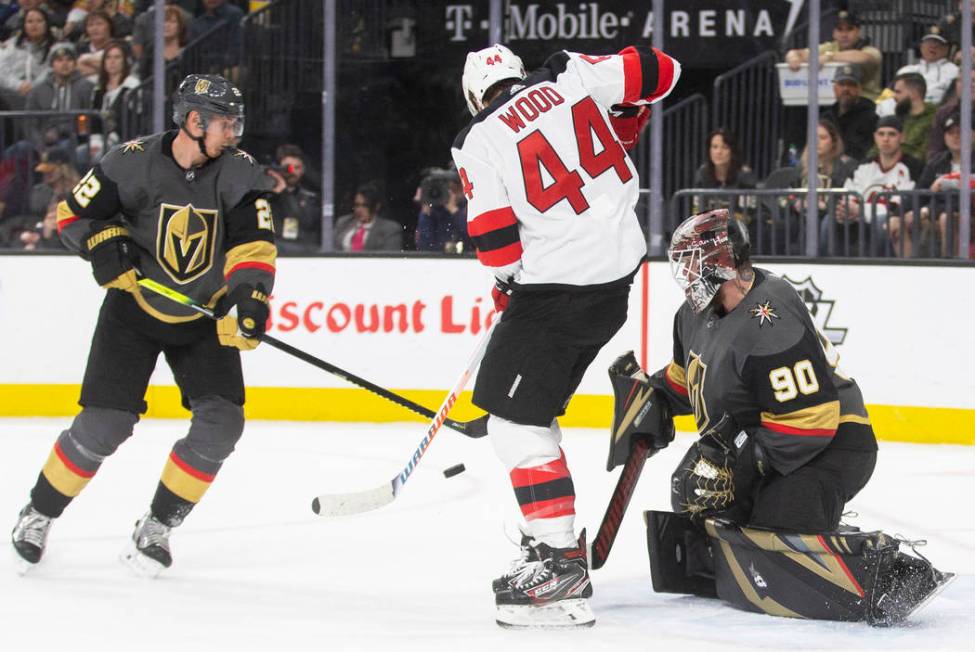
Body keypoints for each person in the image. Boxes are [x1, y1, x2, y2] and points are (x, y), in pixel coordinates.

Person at [615, 209, 948, 624]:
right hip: (764, 439)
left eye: (691, 263)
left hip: (833, 446)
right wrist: (651, 396)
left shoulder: (770, 316)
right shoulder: (691, 315)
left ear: (720, 262)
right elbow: (690, 377)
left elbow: (811, 419)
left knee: (775, 522)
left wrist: (739, 465)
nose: (683, 275)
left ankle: (867, 561)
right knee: (695, 493)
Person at [10, 73, 283, 576]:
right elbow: (71, 218)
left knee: (223, 424)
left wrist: (248, 297)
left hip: (204, 315)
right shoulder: (129, 161)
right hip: (132, 312)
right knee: (105, 424)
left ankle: (157, 525)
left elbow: (254, 247)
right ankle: (39, 513)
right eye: (226, 122)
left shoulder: (243, 173)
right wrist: (103, 245)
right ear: (194, 121)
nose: (235, 132)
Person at [451, 42, 679, 627]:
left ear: (475, 95)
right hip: (616, 281)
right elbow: (662, 72)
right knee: (526, 407)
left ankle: (558, 566)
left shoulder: (477, 140)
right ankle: (547, 540)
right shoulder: (572, 76)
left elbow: (497, 244)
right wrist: (622, 106)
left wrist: (509, 280)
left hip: (559, 293)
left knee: (515, 423)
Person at [824, 116, 921, 255]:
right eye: (881, 134)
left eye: (892, 134)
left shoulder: (913, 167)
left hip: (890, 221)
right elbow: (849, 194)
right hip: (859, 222)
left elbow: (899, 206)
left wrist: (861, 210)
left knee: (882, 221)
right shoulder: (864, 166)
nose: (885, 139)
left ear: (902, 137)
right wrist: (845, 210)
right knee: (829, 221)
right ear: (875, 137)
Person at [784, 10, 884, 101]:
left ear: (858, 31)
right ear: (834, 33)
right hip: (836, 103)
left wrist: (829, 57)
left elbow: (864, 57)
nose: (844, 34)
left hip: (867, 103)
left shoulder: (869, 50)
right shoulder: (830, 47)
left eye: (849, 29)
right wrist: (792, 56)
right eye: (840, 29)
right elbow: (800, 53)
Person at [268, 143, 321, 252]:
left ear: (303, 170)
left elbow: (307, 222)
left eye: (296, 168)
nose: (292, 172)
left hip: (299, 253)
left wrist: (284, 192)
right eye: (287, 168)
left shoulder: (310, 198)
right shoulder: (267, 195)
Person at [0, 7, 55, 110]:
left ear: (46, 24)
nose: (34, 25)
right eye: (30, 21)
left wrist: (33, 86)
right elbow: (2, 69)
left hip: (44, 93)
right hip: (13, 93)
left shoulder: (55, 47)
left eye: (39, 21)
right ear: (24, 25)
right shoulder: (12, 44)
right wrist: (18, 85)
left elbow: (52, 71)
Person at [821, 64, 877, 162]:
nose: (846, 89)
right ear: (834, 88)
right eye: (842, 84)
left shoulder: (871, 118)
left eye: (851, 84)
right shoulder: (826, 118)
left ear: (860, 89)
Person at [876, 73, 937, 161]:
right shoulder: (895, 119)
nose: (894, 96)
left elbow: (925, 154)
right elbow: (876, 148)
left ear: (914, 93)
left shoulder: (935, 119)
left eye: (898, 92)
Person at [90, 39, 139, 149]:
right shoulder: (98, 89)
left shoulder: (131, 86)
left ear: (124, 61)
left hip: (123, 142)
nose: (112, 61)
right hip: (99, 141)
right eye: (108, 57)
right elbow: (94, 121)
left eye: (117, 57)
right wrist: (94, 143)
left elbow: (132, 121)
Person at [893, 26, 958, 106]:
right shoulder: (905, 71)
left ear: (947, 48)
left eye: (938, 43)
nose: (933, 46)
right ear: (921, 46)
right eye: (929, 42)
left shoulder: (954, 72)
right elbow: (889, 96)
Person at [333, 183, 402, 252]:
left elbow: (389, 258)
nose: (359, 210)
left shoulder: (390, 229)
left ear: (376, 207)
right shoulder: (343, 222)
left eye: (365, 205)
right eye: (357, 205)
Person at [414, 171, 470, 253]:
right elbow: (424, 247)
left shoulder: (468, 208)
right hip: (436, 261)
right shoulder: (431, 212)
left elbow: (473, 239)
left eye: (453, 189)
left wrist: (455, 211)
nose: (447, 193)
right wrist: (425, 212)